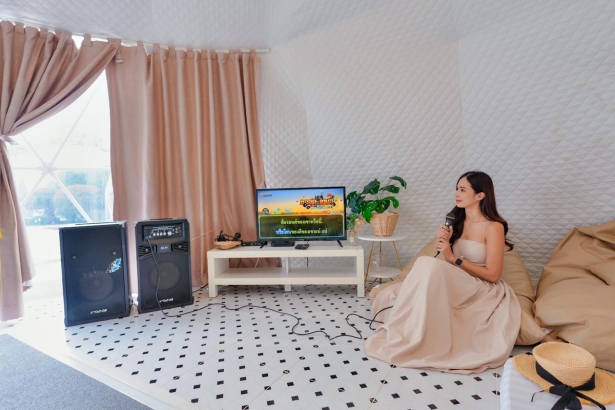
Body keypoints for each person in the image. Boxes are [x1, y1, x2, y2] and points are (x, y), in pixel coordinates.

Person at [364, 171, 521, 374]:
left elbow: (493, 275)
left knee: (429, 264)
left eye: (462, 190)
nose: (457, 193)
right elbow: (448, 263)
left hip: (480, 286)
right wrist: (445, 242)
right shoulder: (457, 222)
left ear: (480, 195)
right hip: (457, 281)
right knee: (396, 289)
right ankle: (410, 333)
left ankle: (420, 341)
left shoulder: (493, 227)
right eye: (456, 189)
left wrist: (452, 257)